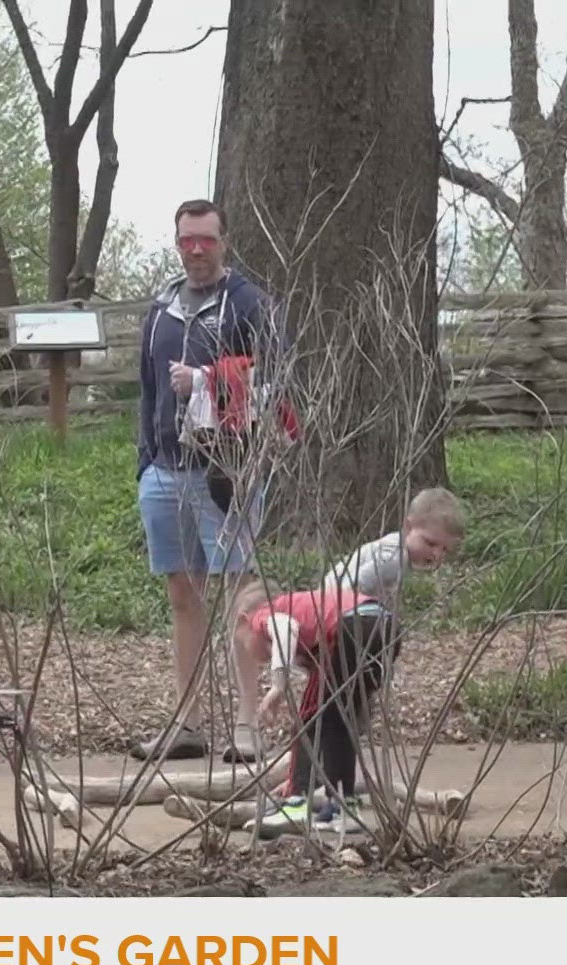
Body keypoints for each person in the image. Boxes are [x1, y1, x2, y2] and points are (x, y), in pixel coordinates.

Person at [132, 197, 288, 763]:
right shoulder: (162, 309)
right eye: (187, 240)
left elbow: (276, 380)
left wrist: (206, 381)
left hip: (227, 472)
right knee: (182, 595)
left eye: (207, 240)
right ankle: (188, 725)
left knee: (239, 597)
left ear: (224, 241)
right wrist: (145, 460)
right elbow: (147, 389)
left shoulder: (249, 305)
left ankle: (247, 725)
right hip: (164, 471)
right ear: (177, 243)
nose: (196, 250)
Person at [227, 577, 399, 833]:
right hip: (386, 626)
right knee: (337, 720)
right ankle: (343, 806)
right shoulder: (309, 619)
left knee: (310, 717)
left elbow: (285, 628)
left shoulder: (265, 614)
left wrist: (278, 684)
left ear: (243, 620)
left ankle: (297, 802)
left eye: (242, 642)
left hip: (356, 625)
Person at [320, 487, 467, 603]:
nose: (437, 554)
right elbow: (353, 586)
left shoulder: (398, 547)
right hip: (332, 602)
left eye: (445, 549)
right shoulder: (395, 557)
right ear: (408, 527)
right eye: (430, 543)